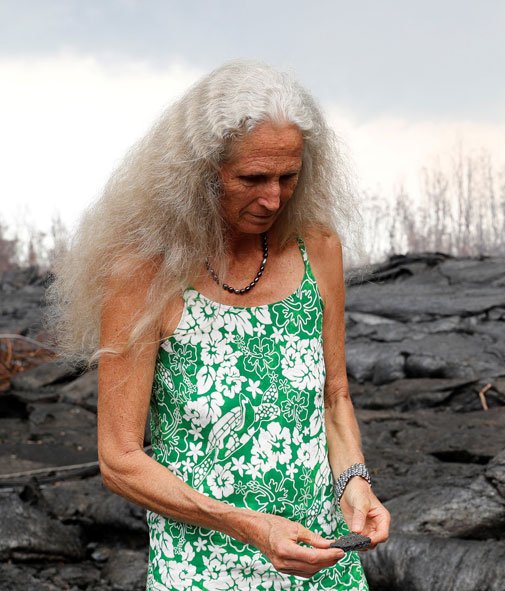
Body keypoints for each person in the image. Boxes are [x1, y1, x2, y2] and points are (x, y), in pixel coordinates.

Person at [49, 60, 389, 590]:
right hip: (203, 572)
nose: (274, 198)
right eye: (252, 178)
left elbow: (333, 397)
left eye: (288, 176)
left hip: (322, 564)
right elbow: (119, 459)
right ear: (200, 172)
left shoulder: (317, 249)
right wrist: (248, 526)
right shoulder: (144, 273)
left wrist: (354, 482)